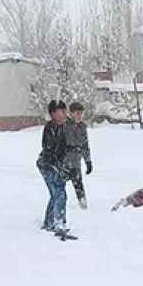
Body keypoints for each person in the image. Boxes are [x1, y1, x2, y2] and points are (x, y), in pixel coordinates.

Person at [35, 99, 76, 241]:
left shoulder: (64, 127)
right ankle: (60, 225)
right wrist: (58, 166)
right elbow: (49, 149)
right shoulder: (50, 128)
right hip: (47, 165)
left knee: (56, 194)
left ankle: (49, 222)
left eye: (65, 111)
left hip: (57, 165)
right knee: (60, 194)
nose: (64, 114)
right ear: (52, 113)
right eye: (61, 111)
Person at [65, 101, 93, 209]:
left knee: (78, 184)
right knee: (59, 187)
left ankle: (83, 205)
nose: (80, 116)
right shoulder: (64, 125)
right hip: (64, 163)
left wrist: (88, 161)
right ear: (71, 113)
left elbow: (85, 146)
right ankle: (58, 205)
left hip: (76, 162)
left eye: (81, 113)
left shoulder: (82, 127)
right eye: (78, 113)